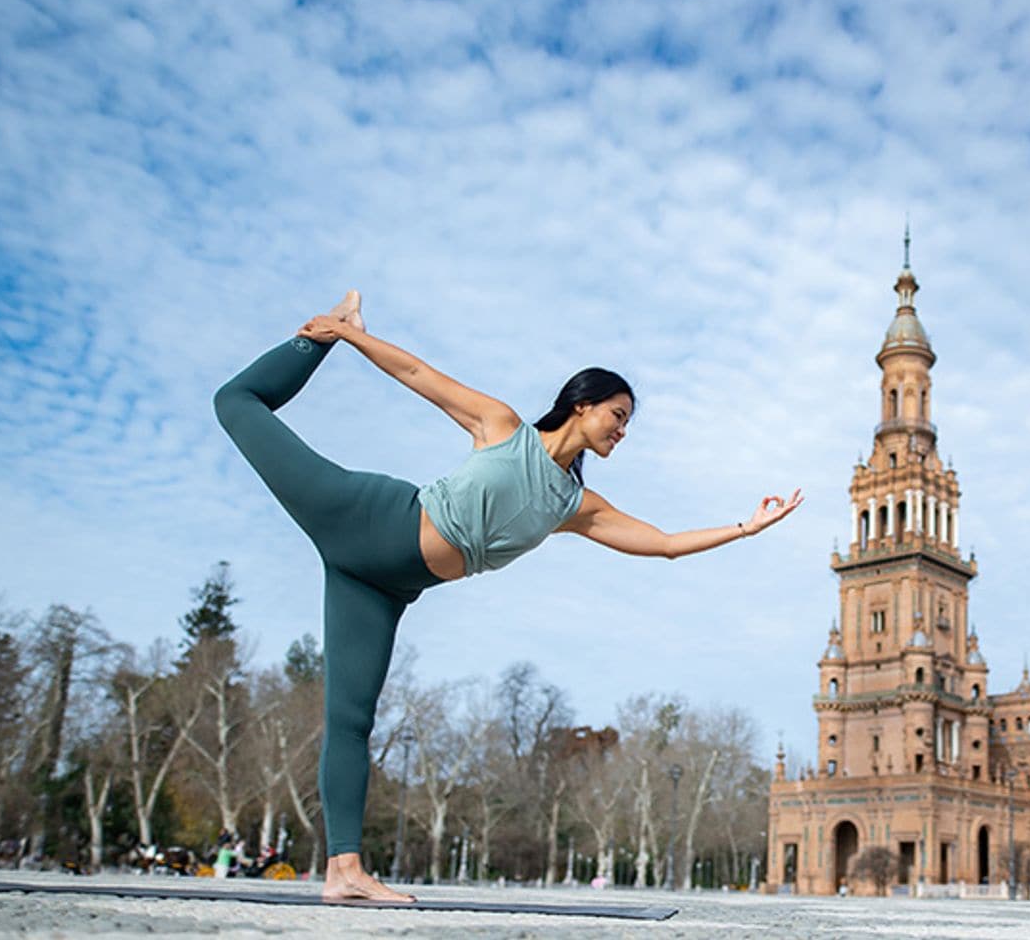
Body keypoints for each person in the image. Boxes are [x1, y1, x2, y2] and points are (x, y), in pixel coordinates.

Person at [214, 292, 801, 902]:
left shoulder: (575, 507)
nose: (624, 431)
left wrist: (745, 526)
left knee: (350, 720)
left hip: (381, 587)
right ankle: (318, 338)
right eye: (618, 415)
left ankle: (343, 873)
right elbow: (419, 376)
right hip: (364, 518)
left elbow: (664, 543)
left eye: (628, 422)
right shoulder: (502, 427)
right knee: (235, 403)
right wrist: (345, 334)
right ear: (583, 404)